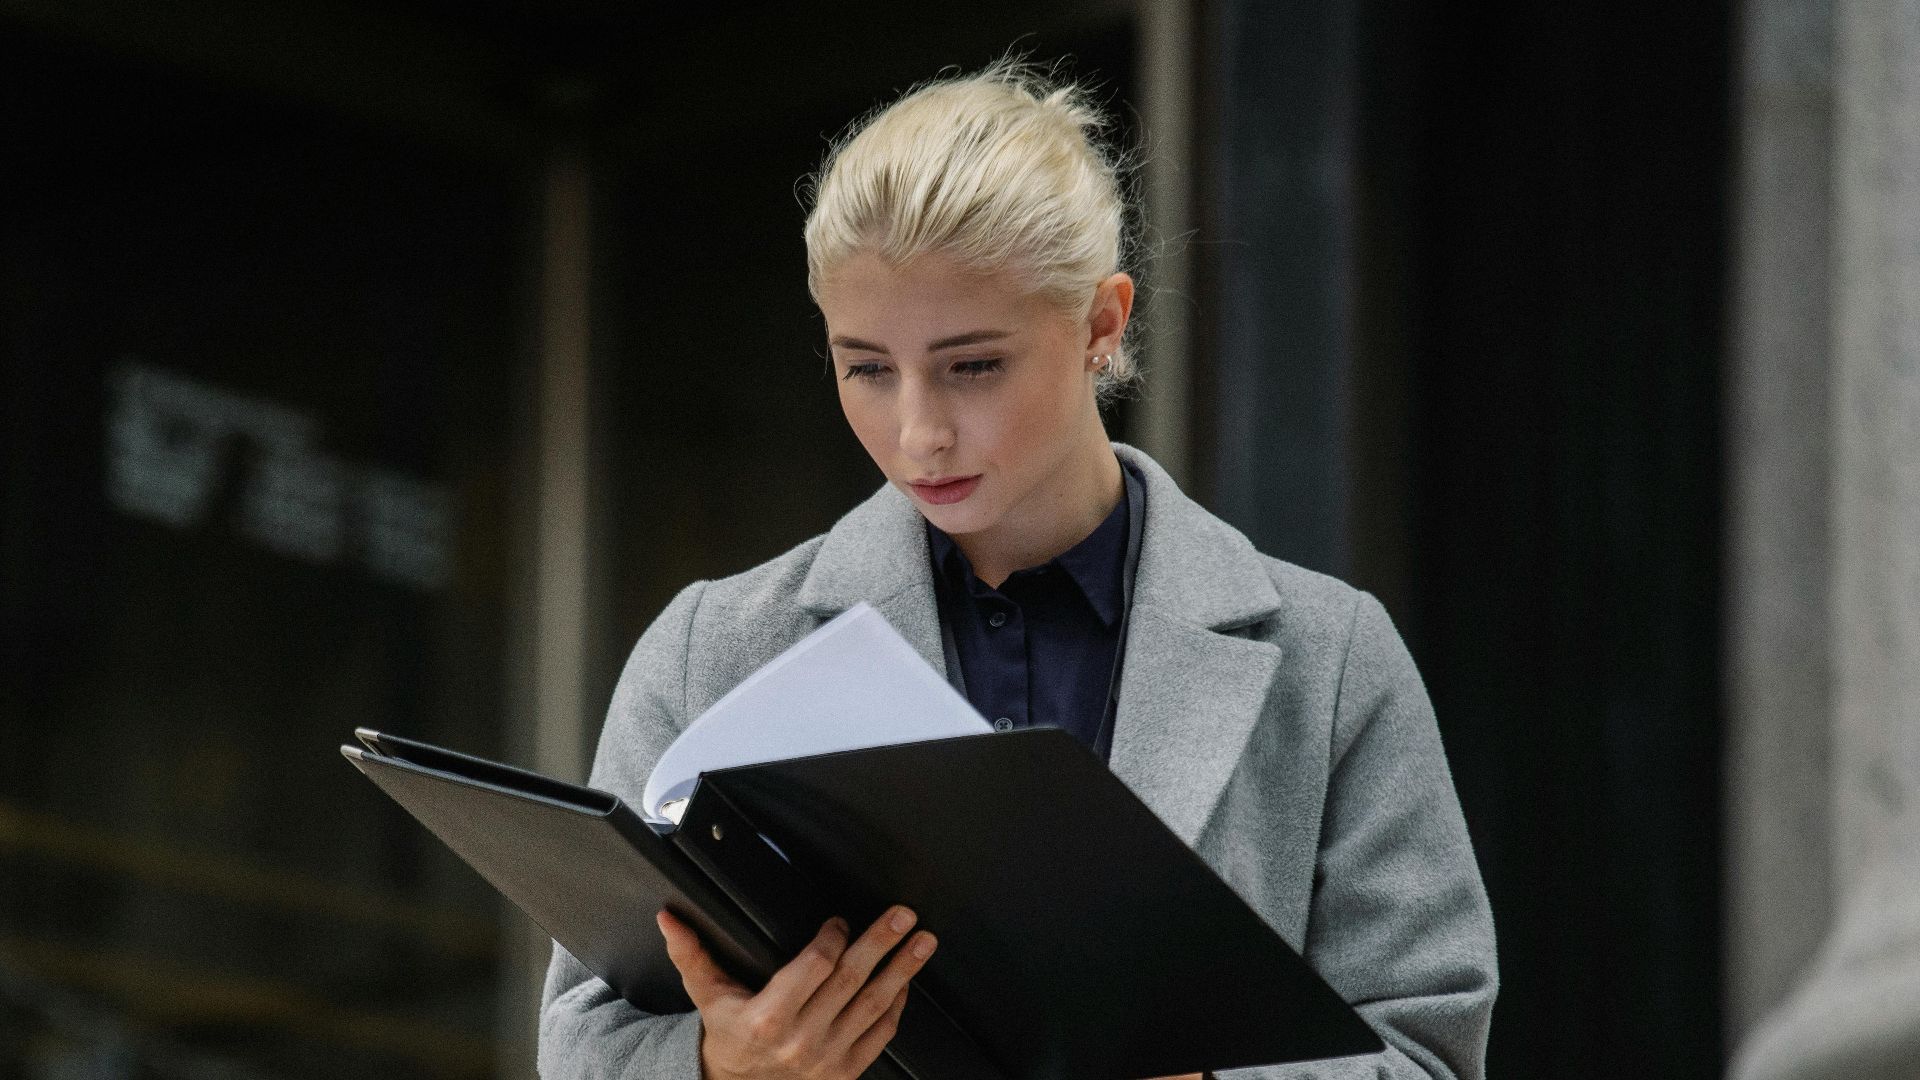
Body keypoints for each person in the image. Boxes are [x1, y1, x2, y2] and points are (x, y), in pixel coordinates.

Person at [538, 61, 1497, 1080]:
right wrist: (723, 1067)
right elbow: (583, 1040)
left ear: (1101, 324)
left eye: (973, 365)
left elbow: (1430, 1052)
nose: (920, 433)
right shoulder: (712, 646)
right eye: (866, 367)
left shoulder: (1331, 661)